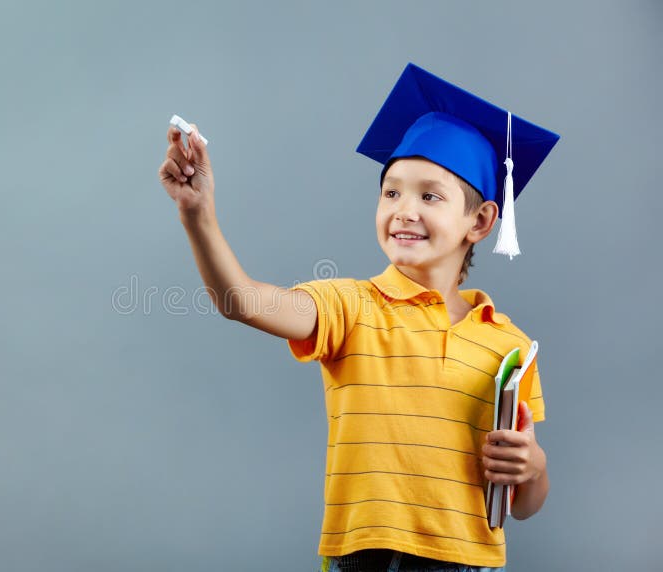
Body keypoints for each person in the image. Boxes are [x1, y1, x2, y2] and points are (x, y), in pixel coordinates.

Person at [158, 63, 559, 572]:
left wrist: (535, 468)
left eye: (429, 195)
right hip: (364, 557)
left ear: (479, 222)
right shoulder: (350, 306)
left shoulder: (509, 347)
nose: (404, 210)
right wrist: (199, 216)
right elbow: (243, 301)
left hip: (467, 561)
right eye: (391, 192)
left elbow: (522, 503)